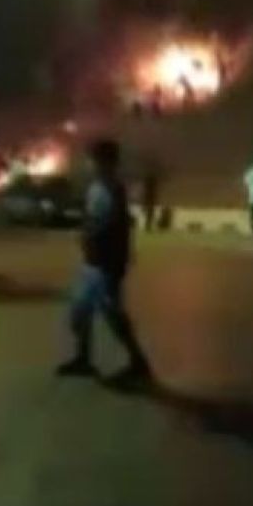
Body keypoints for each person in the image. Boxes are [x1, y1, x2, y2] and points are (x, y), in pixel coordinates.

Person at [56, 139, 152, 383]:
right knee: (80, 310)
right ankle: (83, 359)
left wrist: (93, 235)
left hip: (106, 262)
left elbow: (115, 223)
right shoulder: (96, 187)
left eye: (93, 159)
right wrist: (85, 232)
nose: (89, 164)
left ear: (104, 162)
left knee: (113, 314)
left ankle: (139, 363)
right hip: (92, 261)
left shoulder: (113, 189)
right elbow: (93, 217)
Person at [140, 157, 162, 233]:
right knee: (150, 190)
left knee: (150, 190)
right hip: (149, 200)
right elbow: (148, 205)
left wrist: (144, 207)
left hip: (149, 200)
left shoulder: (150, 213)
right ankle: (151, 180)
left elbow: (147, 205)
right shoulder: (150, 213)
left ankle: (151, 180)